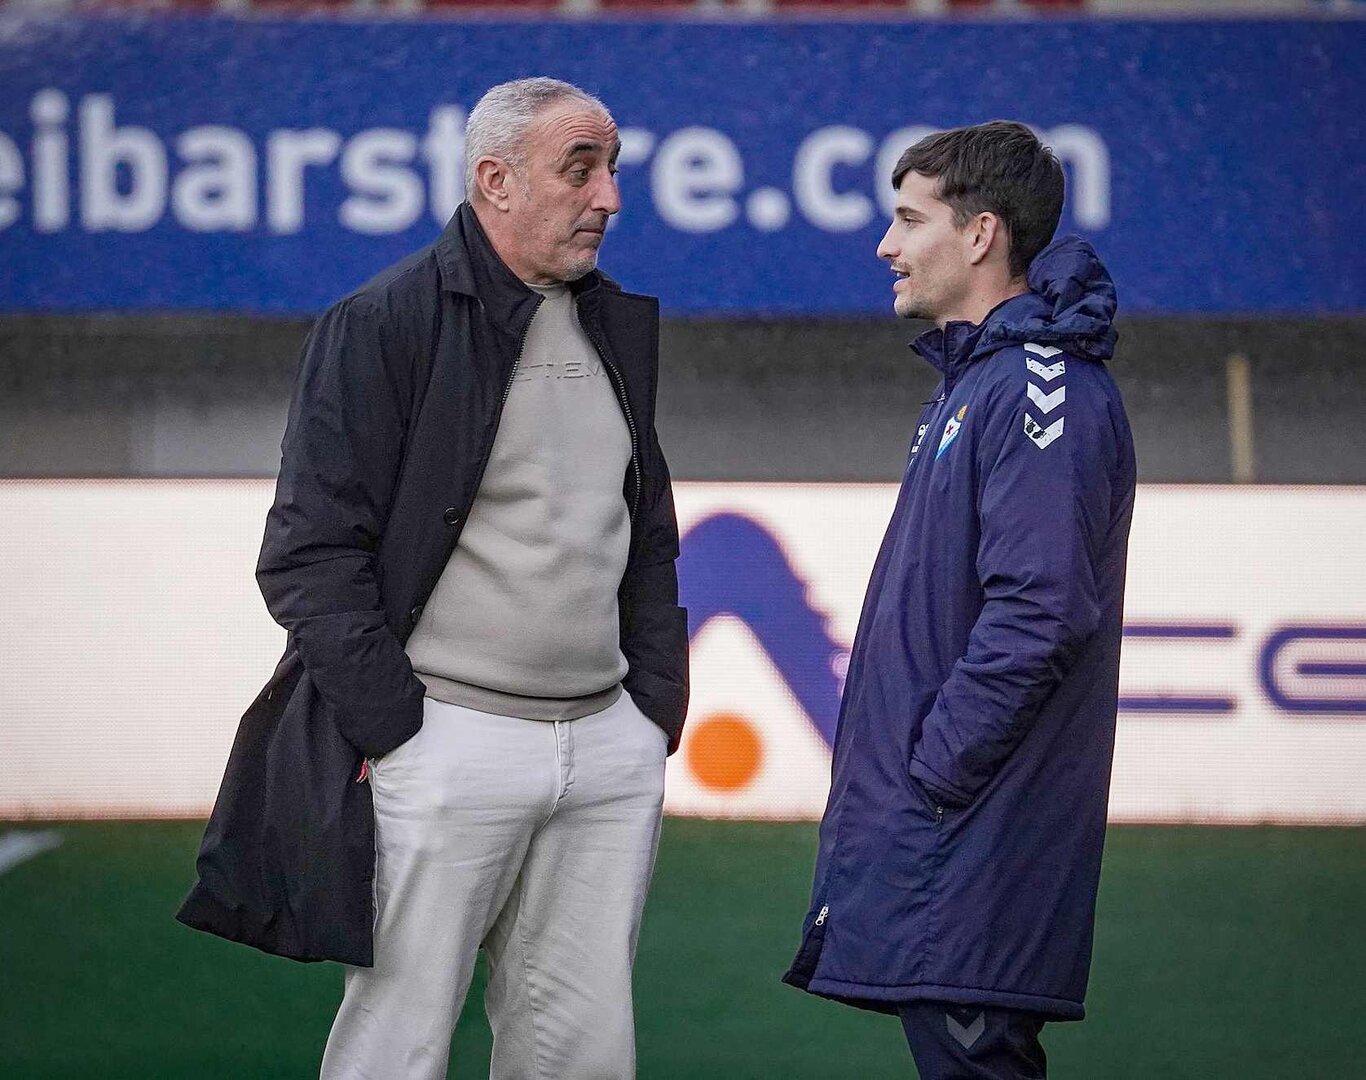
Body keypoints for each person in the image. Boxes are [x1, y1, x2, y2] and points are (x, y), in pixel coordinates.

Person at [177, 77, 689, 1080]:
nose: (609, 197)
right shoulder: (381, 322)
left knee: (581, 1051)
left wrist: (650, 710)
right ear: (494, 181)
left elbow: (645, 528)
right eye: (579, 169)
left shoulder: (614, 325)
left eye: (614, 169)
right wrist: (402, 730)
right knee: (396, 1050)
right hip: (445, 744)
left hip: (606, 752)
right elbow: (308, 552)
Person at [783, 121, 1136, 1079]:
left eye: (907, 218)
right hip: (956, 837)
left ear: (980, 234)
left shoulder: (1035, 386)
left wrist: (932, 771)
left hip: (973, 836)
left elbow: (1039, 613)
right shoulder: (978, 383)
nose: (885, 245)